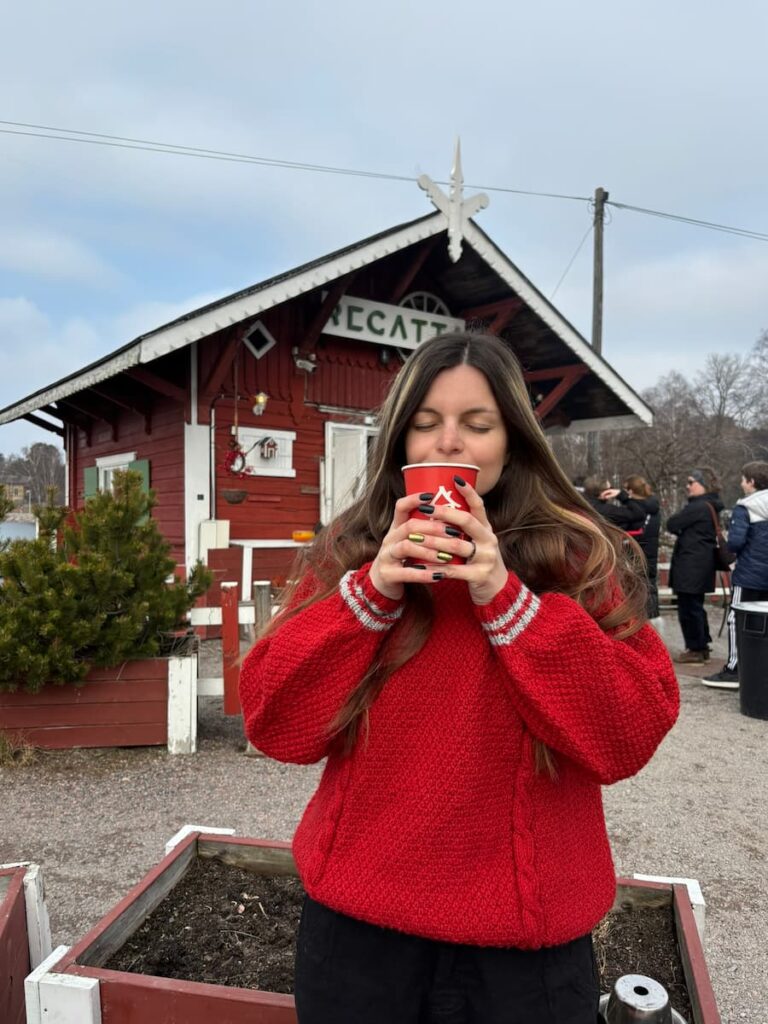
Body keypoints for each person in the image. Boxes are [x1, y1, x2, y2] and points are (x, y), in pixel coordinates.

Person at [239, 331, 679, 1024]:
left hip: (525, 951)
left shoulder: (581, 556)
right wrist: (370, 593)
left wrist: (508, 601)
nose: (449, 444)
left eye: (477, 425)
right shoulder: (351, 549)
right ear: (401, 443)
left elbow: (628, 736)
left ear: (513, 442)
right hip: (357, 937)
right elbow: (273, 721)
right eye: (425, 425)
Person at [703, 461, 768, 689]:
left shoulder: (746, 507)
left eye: (743, 479)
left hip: (749, 574)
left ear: (751, 482)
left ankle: (735, 669)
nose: (741, 483)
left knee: (736, 619)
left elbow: (736, 542)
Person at [667, 467, 724, 664]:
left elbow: (672, 524)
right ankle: (701, 645)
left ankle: (696, 648)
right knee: (695, 606)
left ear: (704, 485)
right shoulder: (708, 505)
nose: (688, 486)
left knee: (689, 608)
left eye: (692, 482)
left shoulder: (698, 507)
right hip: (700, 564)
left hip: (692, 565)